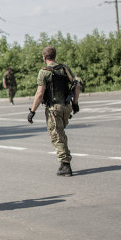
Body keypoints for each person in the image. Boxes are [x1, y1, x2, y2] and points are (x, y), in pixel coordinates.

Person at [27, 46, 80, 177]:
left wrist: (32, 111)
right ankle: (65, 162)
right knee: (60, 134)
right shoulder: (64, 68)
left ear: (44, 57)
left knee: (56, 136)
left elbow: (40, 93)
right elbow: (76, 85)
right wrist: (75, 104)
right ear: (54, 56)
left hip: (53, 109)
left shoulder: (44, 72)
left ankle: (65, 165)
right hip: (66, 107)